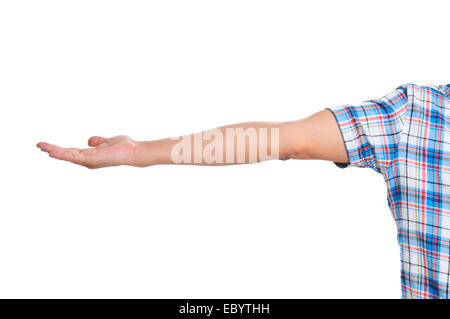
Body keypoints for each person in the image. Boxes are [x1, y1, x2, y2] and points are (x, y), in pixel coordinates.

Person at [37, 83, 450, 299]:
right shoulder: (415, 114)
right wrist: (139, 152)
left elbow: (287, 139)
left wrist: (139, 152)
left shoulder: (420, 114)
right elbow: (285, 139)